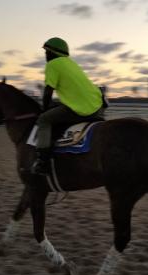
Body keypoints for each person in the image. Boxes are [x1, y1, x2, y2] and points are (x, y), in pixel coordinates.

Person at [31, 37, 105, 175]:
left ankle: (43, 161)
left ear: (53, 52)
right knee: (55, 107)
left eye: (47, 52)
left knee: (44, 120)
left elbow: (48, 92)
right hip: (98, 106)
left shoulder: (52, 65)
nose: (45, 55)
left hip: (82, 109)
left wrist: (43, 109)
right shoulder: (71, 63)